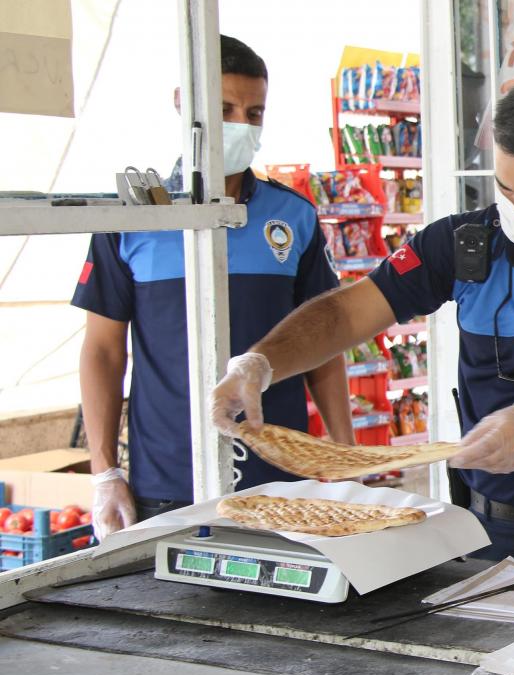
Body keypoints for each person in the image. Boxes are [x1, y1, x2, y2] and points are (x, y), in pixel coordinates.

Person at [210, 73, 514, 574]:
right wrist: (260, 362)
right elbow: (347, 312)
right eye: (506, 190)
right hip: (489, 532)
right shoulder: (461, 243)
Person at [74, 35, 354, 540]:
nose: (241, 125)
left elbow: (324, 338)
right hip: (167, 480)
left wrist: (344, 450)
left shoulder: (293, 216)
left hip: (279, 478)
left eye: (254, 113)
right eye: (225, 110)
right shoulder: (130, 220)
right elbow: (102, 351)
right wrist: (105, 473)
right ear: (184, 105)